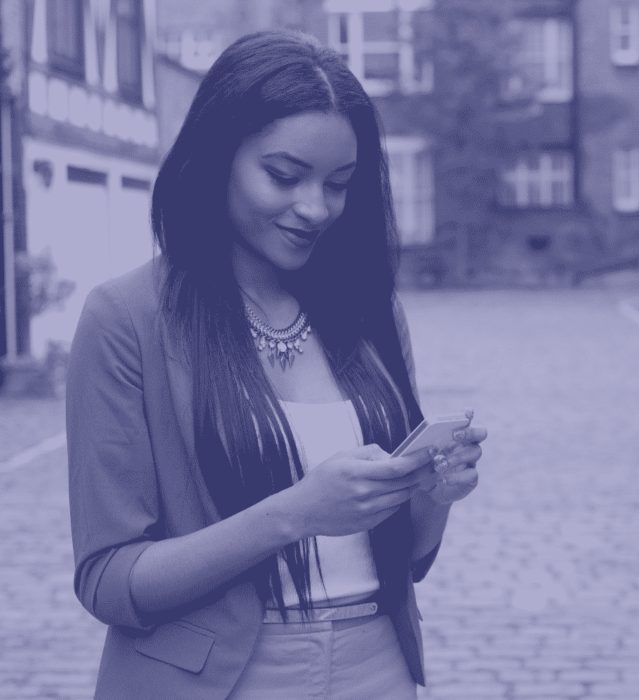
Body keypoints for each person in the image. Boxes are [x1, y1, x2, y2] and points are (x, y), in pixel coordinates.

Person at [66, 30, 486, 700]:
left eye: (339, 184)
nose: (316, 208)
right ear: (216, 157)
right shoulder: (125, 318)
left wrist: (433, 495)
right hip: (215, 681)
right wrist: (296, 512)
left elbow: (402, 557)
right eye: (284, 176)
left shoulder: (370, 312)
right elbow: (109, 580)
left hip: (376, 668)